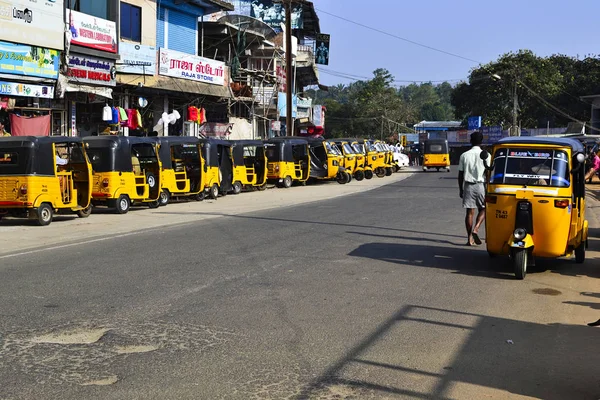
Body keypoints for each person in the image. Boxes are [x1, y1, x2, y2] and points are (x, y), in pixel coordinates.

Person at [458, 131, 490, 246]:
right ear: (481, 142)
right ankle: (476, 228)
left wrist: (461, 189)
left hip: (468, 186)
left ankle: (469, 238)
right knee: (484, 208)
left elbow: (460, 174)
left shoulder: (464, 155)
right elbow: (488, 173)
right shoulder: (487, 155)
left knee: (469, 212)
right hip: (481, 185)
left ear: (471, 141)